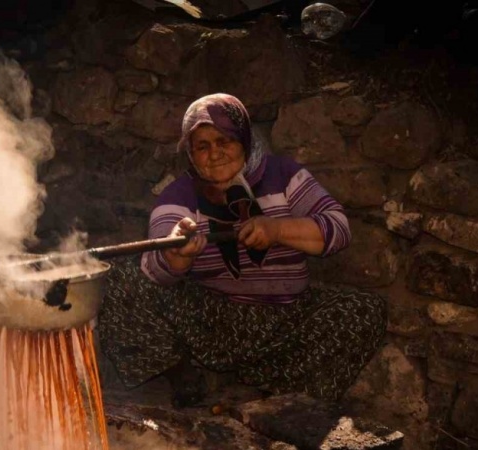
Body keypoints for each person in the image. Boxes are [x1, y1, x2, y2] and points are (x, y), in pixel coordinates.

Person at [98, 93, 386, 407]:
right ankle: (181, 373)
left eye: (225, 141)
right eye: (202, 146)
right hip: (212, 319)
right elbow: (154, 267)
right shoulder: (181, 193)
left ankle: (286, 399)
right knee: (123, 276)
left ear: (244, 141)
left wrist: (277, 229)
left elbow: (339, 229)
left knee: (365, 309)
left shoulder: (283, 175)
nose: (215, 154)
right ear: (191, 154)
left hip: (286, 317)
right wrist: (178, 254)